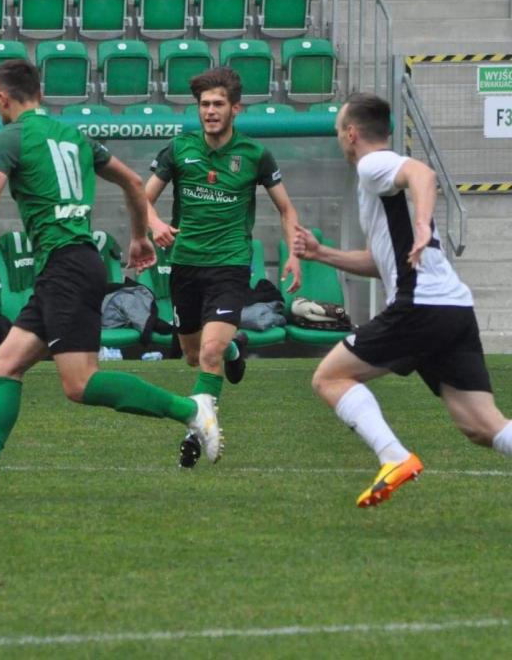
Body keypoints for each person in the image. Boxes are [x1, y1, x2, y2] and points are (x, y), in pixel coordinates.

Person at [0, 59, 222, 497]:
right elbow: (133, 182)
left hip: (66, 266)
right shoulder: (74, 135)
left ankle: (191, 411)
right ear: (40, 94)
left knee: (80, 383)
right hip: (67, 265)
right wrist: (139, 237)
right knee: (4, 365)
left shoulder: (10, 136)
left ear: (1, 98)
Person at [294, 92, 512, 508]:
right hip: (452, 309)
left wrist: (424, 223)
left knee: (329, 378)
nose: (340, 140)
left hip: (421, 307)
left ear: (351, 134)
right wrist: (322, 254)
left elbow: (422, 173)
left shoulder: (373, 165)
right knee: (483, 426)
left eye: (339, 132)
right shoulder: (378, 180)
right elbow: (383, 262)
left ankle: (393, 456)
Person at [143, 67, 304, 469]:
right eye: (204, 104)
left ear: (236, 108)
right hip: (185, 265)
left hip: (230, 265)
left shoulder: (254, 155)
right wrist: (155, 224)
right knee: (192, 355)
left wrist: (294, 254)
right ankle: (236, 348)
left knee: (209, 352)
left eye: (218, 104)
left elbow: (286, 208)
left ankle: (196, 431)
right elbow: (141, 199)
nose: (210, 111)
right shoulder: (179, 149)